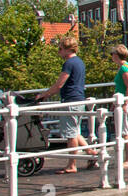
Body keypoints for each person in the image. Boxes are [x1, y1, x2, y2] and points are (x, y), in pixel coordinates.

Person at [34, 35, 89, 174]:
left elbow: (59, 84)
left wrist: (44, 95)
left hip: (70, 101)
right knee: (75, 131)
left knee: (71, 135)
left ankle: (72, 165)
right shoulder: (80, 62)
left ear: (67, 49)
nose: (58, 52)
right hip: (79, 99)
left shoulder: (68, 64)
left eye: (60, 49)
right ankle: (92, 152)